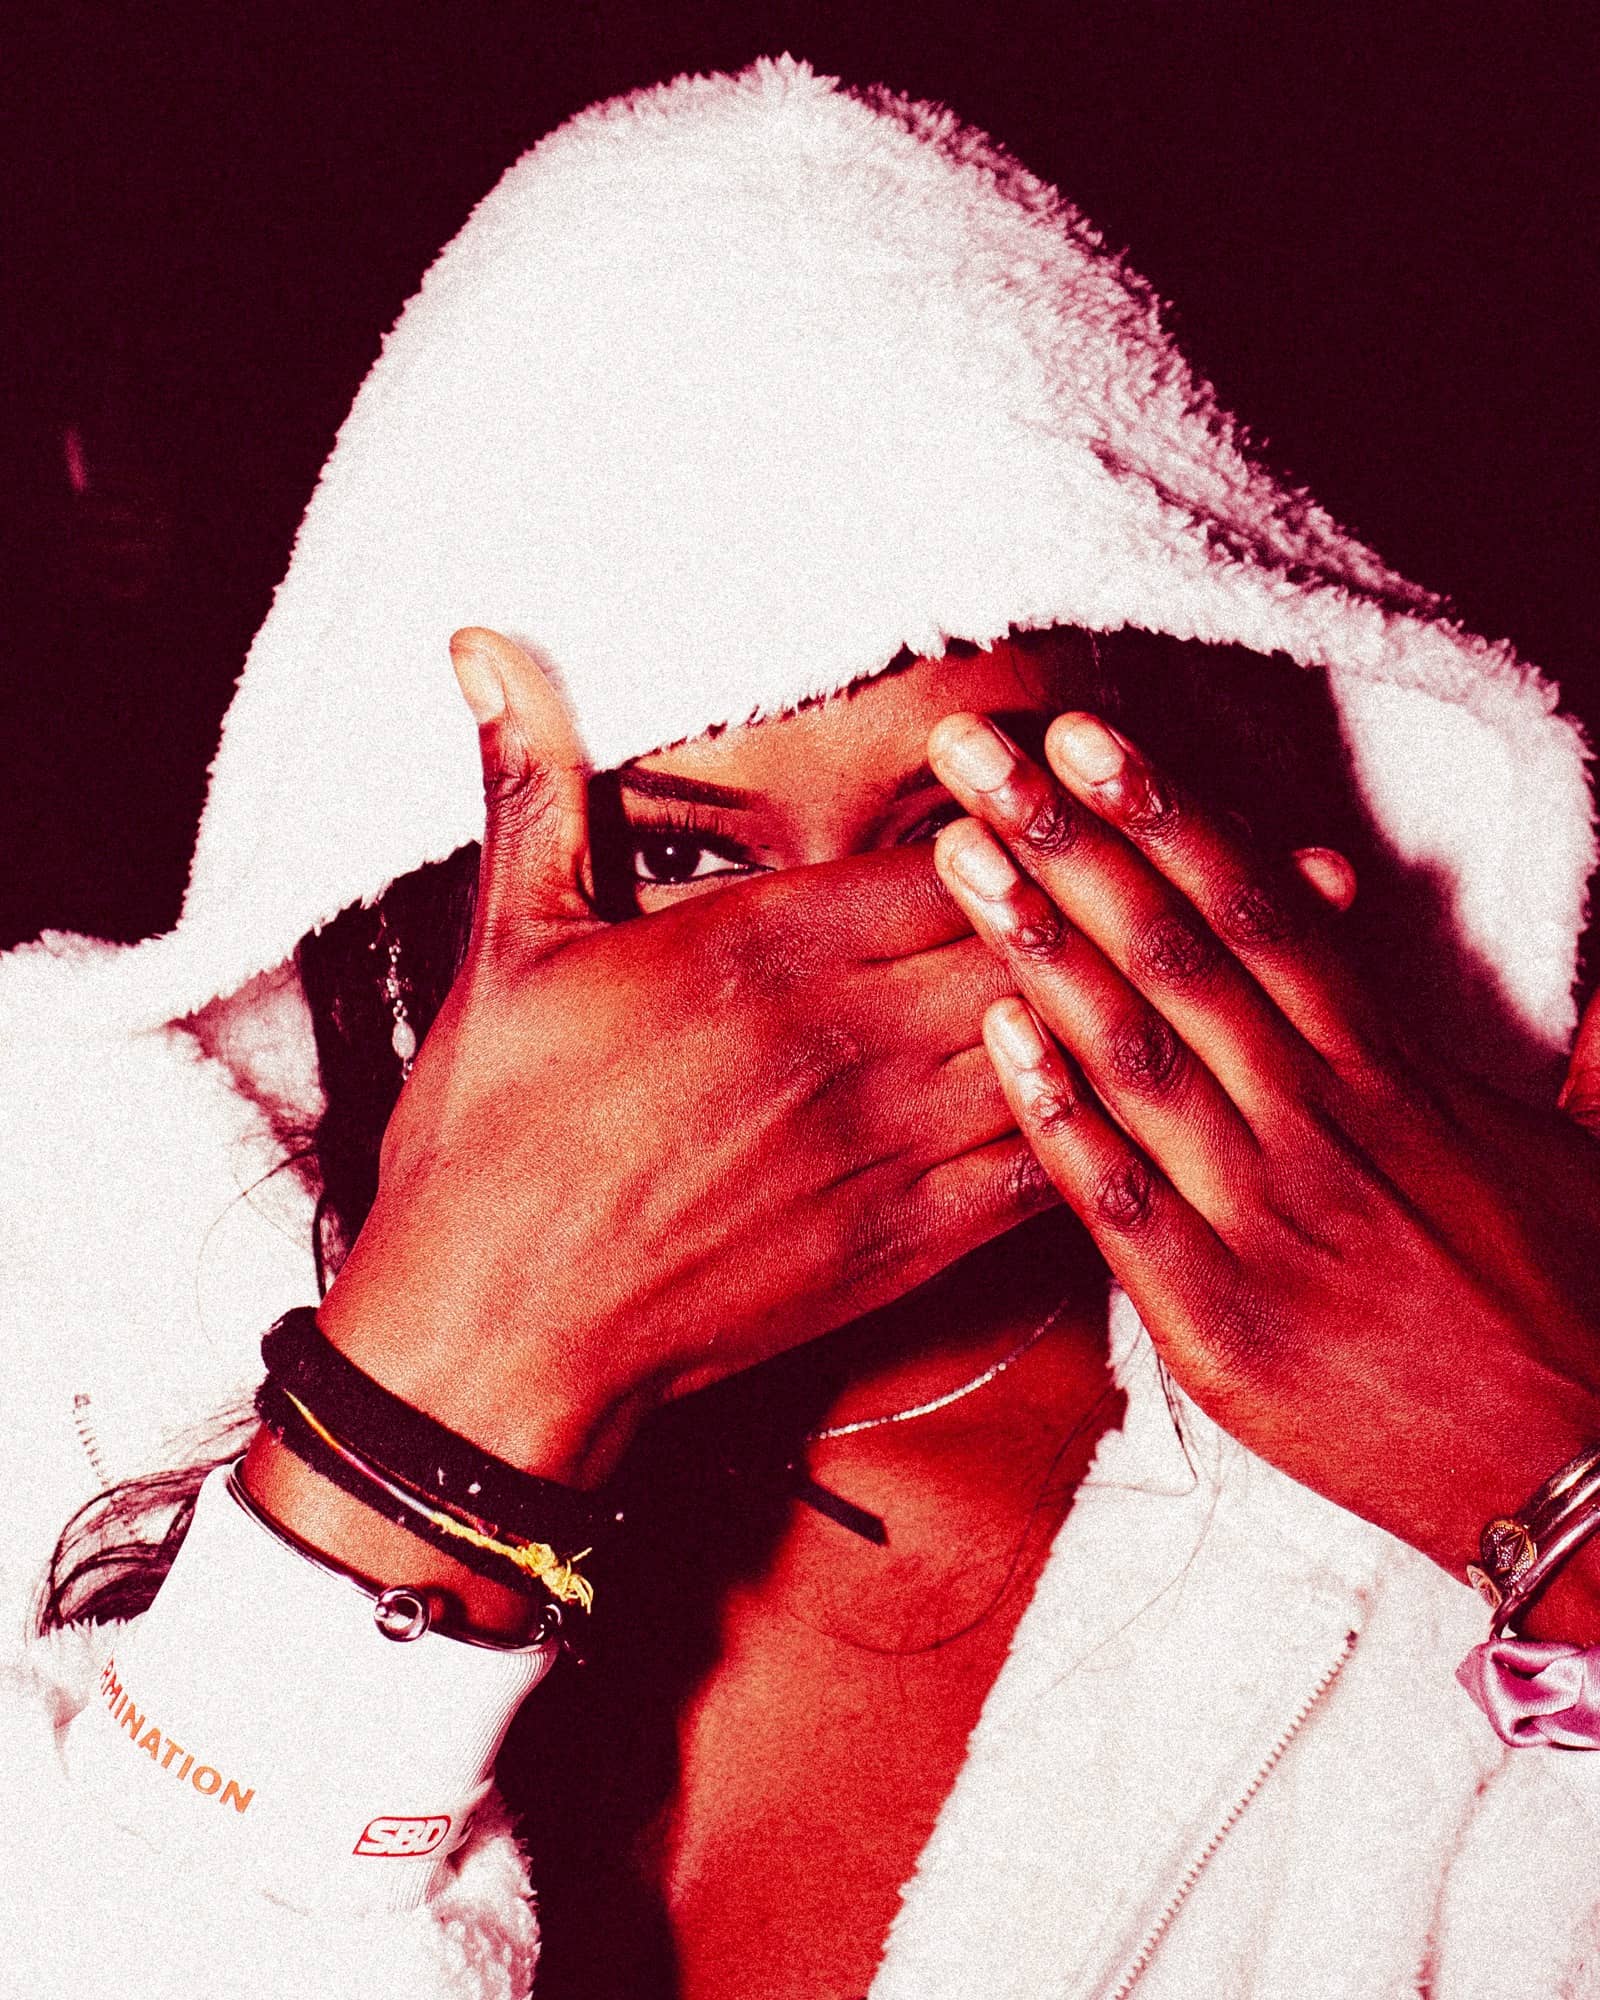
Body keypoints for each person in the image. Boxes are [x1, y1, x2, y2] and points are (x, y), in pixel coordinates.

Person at [5, 54, 1600, 2000]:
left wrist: (1562, 1499)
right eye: (678, 858)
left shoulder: (1410, 1527)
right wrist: (424, 1432)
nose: (809, 1017)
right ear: (415, 885)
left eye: (967, 838)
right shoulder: (63, 1330)